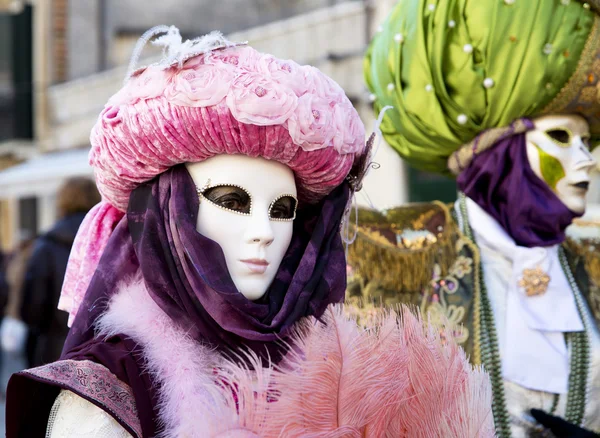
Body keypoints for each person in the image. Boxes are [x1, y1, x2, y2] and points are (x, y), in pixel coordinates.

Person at [6, 27, 494, 437]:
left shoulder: (330, 368)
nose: (263, 232)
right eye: (233, 202)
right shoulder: (111, 388)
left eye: (283, 210)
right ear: (170, 213)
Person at [359, 0, 600, 436]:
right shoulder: (389, 257)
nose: (586, 162)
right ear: (500, 153)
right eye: (562, 137)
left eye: (586, 141)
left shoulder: (592, 258)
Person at [19, 177, 100, 367]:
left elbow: (32, 309)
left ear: (62, 201)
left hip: (53, 351)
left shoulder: (46, 246)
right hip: (98, 350)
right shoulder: (111, 238)